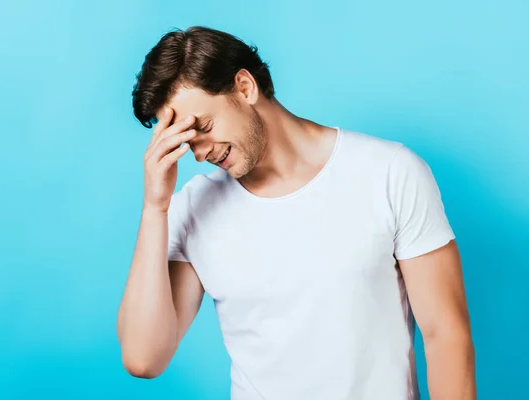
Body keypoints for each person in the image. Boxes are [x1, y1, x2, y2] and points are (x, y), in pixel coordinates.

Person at [116, 26, 476, 400]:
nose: (200, 152)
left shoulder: (390, 172)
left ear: (244, 86)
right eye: (187, 143)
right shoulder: (193, 208)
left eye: (203, 127)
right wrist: (154, 207)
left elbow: (446, 335)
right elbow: (144, 359)